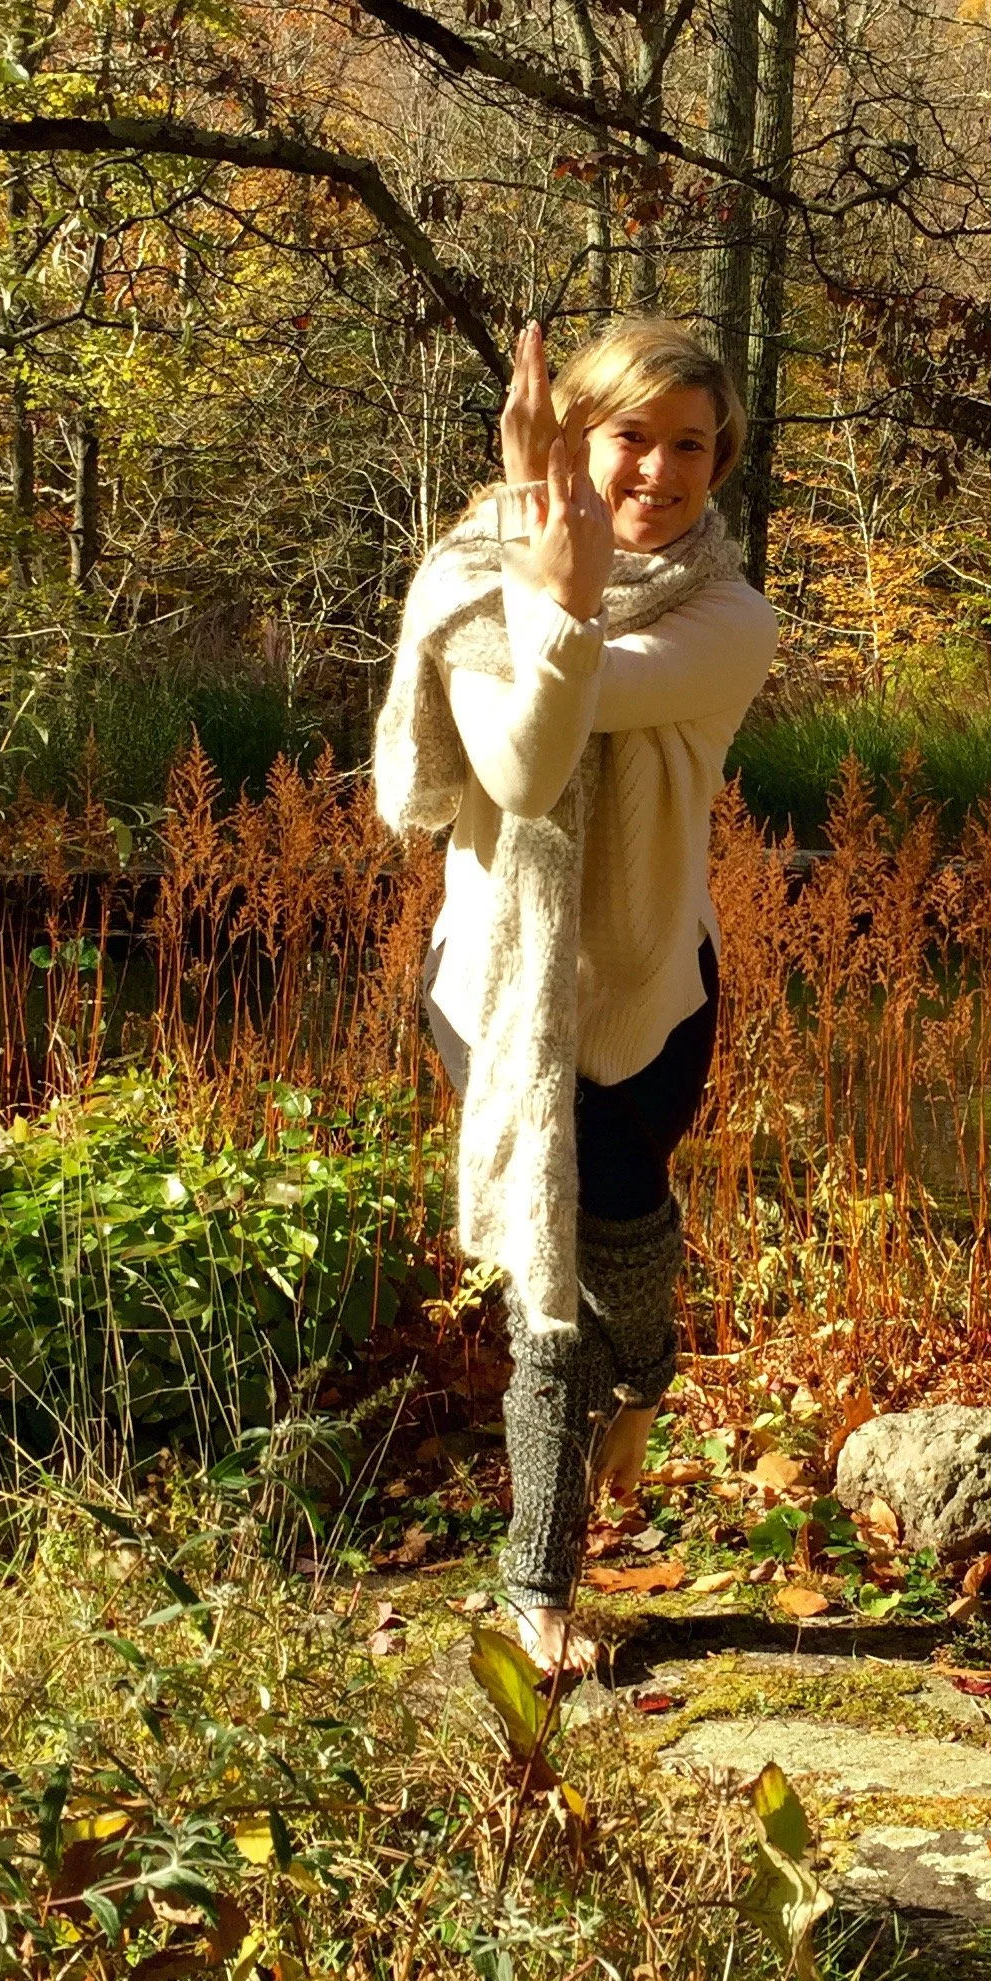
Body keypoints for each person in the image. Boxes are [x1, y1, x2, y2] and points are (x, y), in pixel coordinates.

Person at [374, 316, 779, 1673]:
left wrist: (555, 602)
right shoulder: (467, 581)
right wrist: (550, 591)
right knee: (545, 1282)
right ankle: (538, 1595)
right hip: (489, 988)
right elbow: (518, 774)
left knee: (623, 1237)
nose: (658, 471)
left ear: (720, 464)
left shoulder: (730, 618)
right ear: (570, 435)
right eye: (629, 438)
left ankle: (648, 1370)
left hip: (650, 990)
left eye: (690, 447)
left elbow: (545, 738)